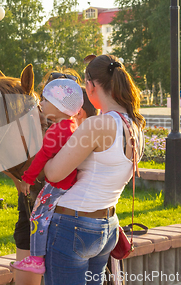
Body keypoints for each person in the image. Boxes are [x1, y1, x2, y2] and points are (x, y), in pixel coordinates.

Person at [42, 55, 145, 285]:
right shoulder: (135, 124)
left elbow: (53, 173)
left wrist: (42, 153)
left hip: (73, 226)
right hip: (107, 226)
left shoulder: (97, 125)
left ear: (90, 86)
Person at [10, 79, 84, 274]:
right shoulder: (72, 127)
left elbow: (41, 157)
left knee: (37, 216)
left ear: (58, 107)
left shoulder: (55, 131)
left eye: (45, 100)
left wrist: (27, 179)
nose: (41, 104)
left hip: (56, 185)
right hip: (70, 185)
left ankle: (36, 258)